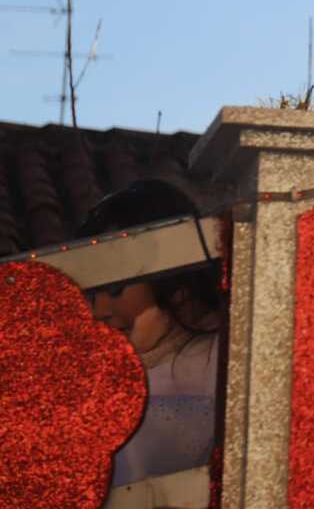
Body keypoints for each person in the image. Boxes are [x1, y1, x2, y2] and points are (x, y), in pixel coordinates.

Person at [77, 180, 222, 487]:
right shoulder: (90, 374)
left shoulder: (226, 363)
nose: (98, 309)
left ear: (173, 281)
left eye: (115, 288)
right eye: (92, 291)